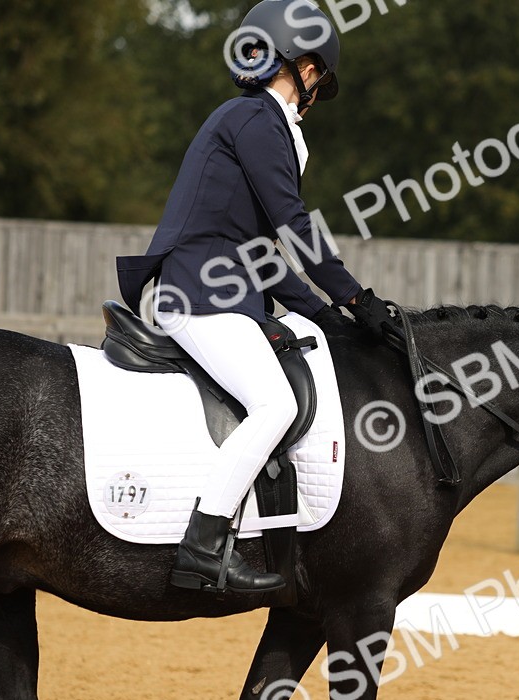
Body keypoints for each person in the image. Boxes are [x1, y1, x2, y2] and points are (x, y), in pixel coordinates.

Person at [116, 0, 395, 593]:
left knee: (302, 361)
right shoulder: (258, 120)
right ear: (310, 69)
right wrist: (354, 295)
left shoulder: (255, 122)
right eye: (318, 76)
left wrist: (328, 314)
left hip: (222, 290)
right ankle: (204, 544)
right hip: (199, 295)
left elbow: (261, 252)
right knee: (276, 406)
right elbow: (292, 223)